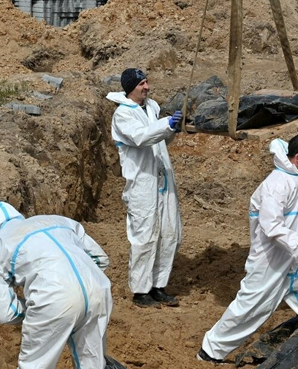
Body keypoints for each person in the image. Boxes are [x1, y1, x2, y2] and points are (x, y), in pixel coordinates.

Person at [198, 134, 298, 363]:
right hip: (270, 263)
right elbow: (271, 226)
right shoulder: (276, 185)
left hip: (296, 261)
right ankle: (210, 351)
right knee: (249, 310)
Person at [0, 201, 113, 369]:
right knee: (92, 363)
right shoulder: (57, 221)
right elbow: (100, 259)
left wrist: (33, 310)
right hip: (98, 289)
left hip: (52, 299)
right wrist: (84, 283)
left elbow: (4, 313)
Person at [105, 68, 183, 308]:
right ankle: (141, 291)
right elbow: (141, 137)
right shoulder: (122, 116)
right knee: (144, 235)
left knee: (170, 232)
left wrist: (171, 129)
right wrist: (165, 126)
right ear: (131, 88)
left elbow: (160, 138)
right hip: (142, 184)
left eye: (147, 82)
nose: (147, 87)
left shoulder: (152, 108)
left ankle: (159, 285)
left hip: (163, 179)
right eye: (142, 84)